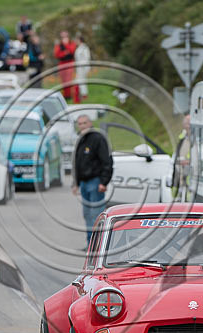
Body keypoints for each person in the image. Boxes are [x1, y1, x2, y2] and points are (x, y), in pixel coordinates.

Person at [72, 115, 112, 243]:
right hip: (84, 183)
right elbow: (77, 163)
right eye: (80, 123)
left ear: (90, 123)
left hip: (96, 182)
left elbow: (107, 161)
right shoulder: (80, 140)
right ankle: (90, 244)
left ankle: (99, 244)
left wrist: (104, 181)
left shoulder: (98, 138)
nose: (82, 126)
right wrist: (76, 183)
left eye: (85, 123)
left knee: (97, 215)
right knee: (87, 215)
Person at [54, 31, 78, 103]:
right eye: (62, 37)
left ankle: (69, 95)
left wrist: (66, 45)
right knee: (63, 80)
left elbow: (72, 50)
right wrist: (64, 53)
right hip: (62, 63)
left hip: (69, 62)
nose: (64, 38)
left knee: (69, 79)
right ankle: (65, 95)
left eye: (65, 36)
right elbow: (57, 54)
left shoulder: (71, 43)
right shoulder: (59, 45)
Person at [74, 35, 91, 101]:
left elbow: (87, 58)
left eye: (76, 40)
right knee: (78, 81)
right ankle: (80, 96)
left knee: (82, 81)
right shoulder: (79, 48)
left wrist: (84, 67)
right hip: (79, 68)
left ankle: (84, 95)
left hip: (83, 68)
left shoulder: (84, 48)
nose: (75, 41)